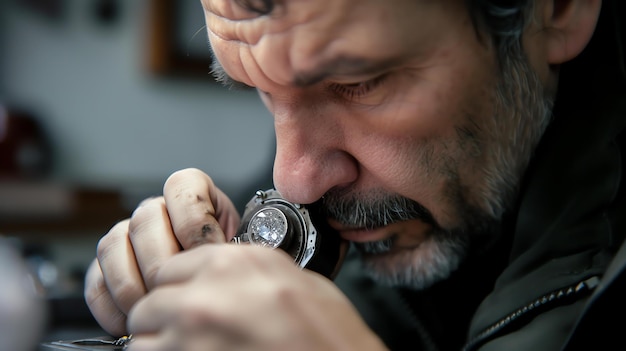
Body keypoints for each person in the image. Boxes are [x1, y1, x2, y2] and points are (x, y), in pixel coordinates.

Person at [84, 0, 626, 350]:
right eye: (264, 93)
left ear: (553, 10)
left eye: (357, 84)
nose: (294, 180)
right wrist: (219, 283)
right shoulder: (375, 202)